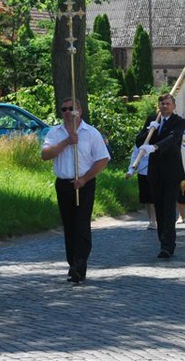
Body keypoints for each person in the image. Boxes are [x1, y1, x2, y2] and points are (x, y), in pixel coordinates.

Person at [41, 98, 110, 283]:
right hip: (64, 184)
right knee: (69, 226)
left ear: (79, 111)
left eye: (71, 108)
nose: (67, 112)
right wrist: (67, 142)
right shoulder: (55, 132)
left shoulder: (91, 133)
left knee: (81, 225)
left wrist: (85, 178)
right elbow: (45, 155)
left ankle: (78, 266)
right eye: (64, 109)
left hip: (84, 184)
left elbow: (103, 159)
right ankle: (73, 264)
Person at [135, 93, 185, 259]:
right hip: (155, 172)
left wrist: (156, 147)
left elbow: (173, 138)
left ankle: (168, 245)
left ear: (174, 106)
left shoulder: (179, 121)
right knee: (159, 208)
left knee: (169, 209)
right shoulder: (153, 120)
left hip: (172, 171)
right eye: (162, 103)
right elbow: (139, 141)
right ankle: (162, 241)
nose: (165, 106)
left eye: (168, 103)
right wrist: (150, 130)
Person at [125, 144, 156, 229]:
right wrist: (130, 171)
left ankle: (157, 220)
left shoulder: (159, 138)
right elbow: (134, 157)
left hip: (156, 172)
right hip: (143, 173)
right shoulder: (140, 141)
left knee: (155, 198)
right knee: (147, 199)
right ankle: (151, 220)